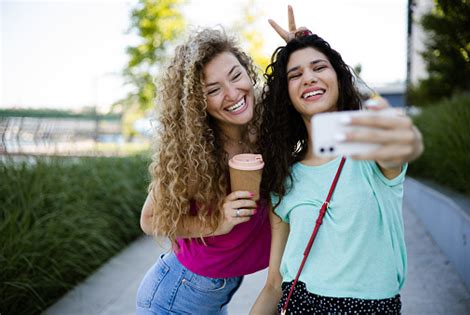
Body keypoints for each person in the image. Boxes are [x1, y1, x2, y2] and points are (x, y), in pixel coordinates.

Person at [251, 21, 424, 315]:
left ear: (339, 78)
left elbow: (400, 145)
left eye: (319, 68)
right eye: (296, 74)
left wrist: (306, 43)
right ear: (286, 95)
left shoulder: (372, 153)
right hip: (299, 306)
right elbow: (274, 283)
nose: (308, 78)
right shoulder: (284, 178)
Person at [136, 27, 272, 315]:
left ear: (248, 72)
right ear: (198, 102)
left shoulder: (266, 124)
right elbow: (150, 220)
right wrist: (217, 222)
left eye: (236, 75)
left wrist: (304, 47)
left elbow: (340, 97)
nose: (233, 93)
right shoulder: (193, 153)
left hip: (213, 295)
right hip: (175, 299)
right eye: (213, 89)